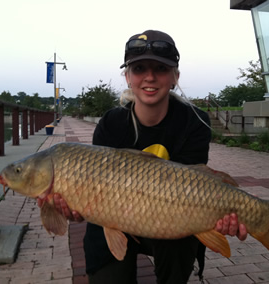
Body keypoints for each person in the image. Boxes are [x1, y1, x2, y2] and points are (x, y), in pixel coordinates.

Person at [49, 30, 247, 284]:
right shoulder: (112, 123)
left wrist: (222, 218)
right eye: (140, 68)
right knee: (103, 253)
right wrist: (78, 208)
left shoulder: (194, 121)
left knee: (183, 237)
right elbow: (92, 192)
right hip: (113, 218)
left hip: (171, 216)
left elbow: (194, 187)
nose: (150, 77)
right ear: (128, 77)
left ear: (175, 76)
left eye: (161, 69)